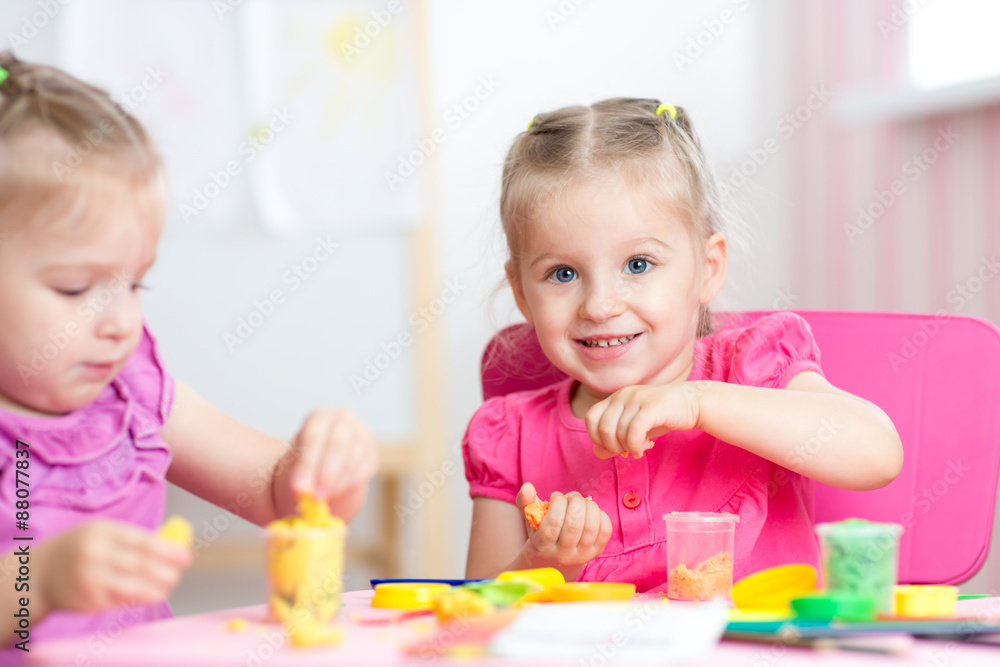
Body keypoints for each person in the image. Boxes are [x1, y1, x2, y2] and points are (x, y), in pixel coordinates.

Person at [0, 54, 379, 650]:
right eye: (77, 288)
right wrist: (38, 580)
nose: (122, 323)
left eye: (134, 284)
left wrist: (324, 466)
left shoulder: (132, 387)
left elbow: (278, 494)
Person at [462, 98, 902, 591]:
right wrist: (545, 564)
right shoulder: (510, 437)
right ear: (522, 291)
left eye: (638, 264)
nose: (600, 305)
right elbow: (479, 608)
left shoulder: (753, 368)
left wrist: (697, 401)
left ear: (707, 269)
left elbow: (878, 454)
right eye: (562, 273)